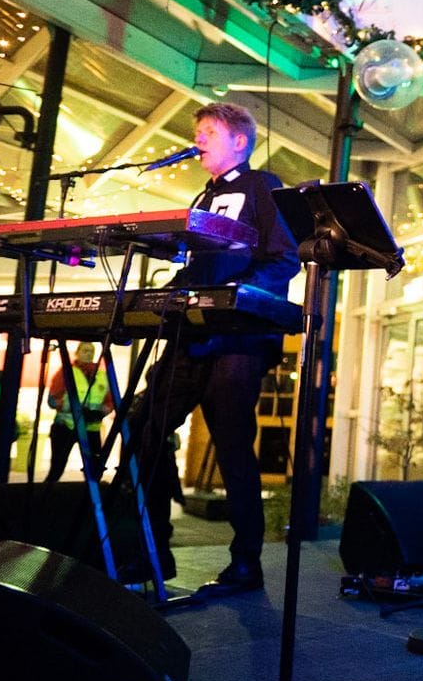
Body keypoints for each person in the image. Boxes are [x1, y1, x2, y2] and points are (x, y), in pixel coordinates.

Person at [116, 103, 299, 592]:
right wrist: (156, 300)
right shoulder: (203, 196)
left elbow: (285, 259)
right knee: (144, 429)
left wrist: (238, 295)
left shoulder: (264, 186)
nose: (197, 139)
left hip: (238, 336)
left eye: (209, 132)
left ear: (240, 141)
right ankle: (149, 551)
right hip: (193, 333)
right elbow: (198, 268)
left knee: (233, 444)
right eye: (197, 131)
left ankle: (246, 563)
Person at [45, 342, 111, 481]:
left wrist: (100, 413)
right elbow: (52, 400)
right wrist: (75, 409)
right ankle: (46, 492)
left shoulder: (102, 375)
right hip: (66, 427)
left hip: (91, 428)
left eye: (91, 351)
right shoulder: (66, 373)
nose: (89, 353)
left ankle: (89, 495)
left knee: (94, 472)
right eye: (85, 350)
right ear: (77, 353)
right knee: (56, 469)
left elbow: (110, 402)